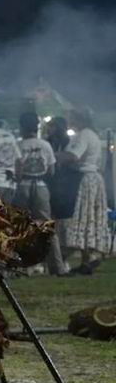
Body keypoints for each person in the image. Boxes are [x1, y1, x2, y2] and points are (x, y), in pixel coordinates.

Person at [55, 109, 109, 274]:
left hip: (85, 179)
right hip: (94, 178)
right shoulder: (91, 134)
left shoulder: (84, 135)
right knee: (89, 218)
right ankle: (87, 259)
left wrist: (53, 156)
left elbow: (74, 156)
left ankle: (86, 258)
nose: (69, 121)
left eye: (71, 118)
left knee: (84, 217)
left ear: (78, 119)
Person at [14, 112, 65, 275]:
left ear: (22, 127)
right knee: (47, 226)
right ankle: (57, 267)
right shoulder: (46, 145)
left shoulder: (19, 145)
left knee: (21, 225)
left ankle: (23, 267)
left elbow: (18, 171)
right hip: (41, 186)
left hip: (23, 185)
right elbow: (51, 170)